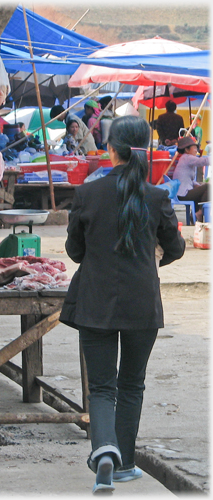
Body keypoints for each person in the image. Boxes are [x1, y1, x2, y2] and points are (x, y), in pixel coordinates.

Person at [59, 115, 185, 494]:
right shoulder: (158, 196)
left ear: (110, 149)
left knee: (101, 388)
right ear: (144, 151)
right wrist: (150, 261)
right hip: (142, 303)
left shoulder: (87, 194)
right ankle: (125, 464)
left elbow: (74, 250)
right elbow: (176, 248)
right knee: (132, 385)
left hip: (95, 302)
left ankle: (104, 454)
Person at [173, 136, 210, 222]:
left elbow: (189, 179)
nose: (196, 150)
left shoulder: (185, 158)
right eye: (194, 148)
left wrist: (197, 185)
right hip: (183, 194)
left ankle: (196, 215)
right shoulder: (187, 158)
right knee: (208, 187)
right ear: (186, 149)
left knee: (203, 189)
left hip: (182, 193)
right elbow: (203, 161)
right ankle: (199, 212)